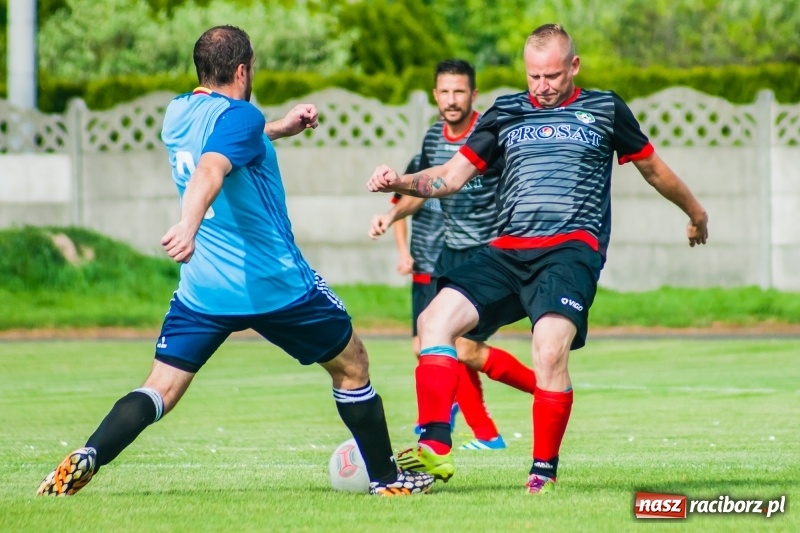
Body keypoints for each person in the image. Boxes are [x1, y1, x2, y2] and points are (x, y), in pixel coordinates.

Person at [36, 25, 433, 498]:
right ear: (243, 70)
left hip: (204, 289)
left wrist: (281, 128)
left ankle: (90, 454)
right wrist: (189, 224)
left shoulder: (178, 112)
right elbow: (212, 166)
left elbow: (227, 138)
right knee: (353, 365)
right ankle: (388, 482)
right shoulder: (241, 115)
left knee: (160, 386)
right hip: (275, 284)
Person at [366, 25, 708, 493]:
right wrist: (398, 183)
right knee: (433, 321)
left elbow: (653, 168)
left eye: (551, 76)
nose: (542, 87)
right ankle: (435, 447)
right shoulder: (507, 111)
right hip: (507, 251)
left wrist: (695, 212)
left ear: (574, 66)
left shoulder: (605, 109)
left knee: (548, 349)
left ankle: (542, 471)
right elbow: (449, 176)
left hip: (570, 252)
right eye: (533, 77)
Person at [371, 59, 537, 451]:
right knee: (435, 342)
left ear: (473, 94)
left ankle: (538, 392)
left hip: (489, 254)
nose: (451, 99)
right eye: (444, 91)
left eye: (459, 91)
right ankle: (472, 431)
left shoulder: (492, 132)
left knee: (456, 346)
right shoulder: (432, 138)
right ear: (434, 95)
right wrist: (390, 213)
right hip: (450, 253)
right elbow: (424, 190)